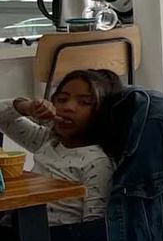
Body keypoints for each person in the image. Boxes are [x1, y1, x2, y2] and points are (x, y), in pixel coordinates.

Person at [0, 68, 124, 225]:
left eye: (84, 102)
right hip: (20, 229)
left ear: (104, 114)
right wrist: (27, 107)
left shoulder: (97, 161)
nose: (68, 107)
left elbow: (94, 226)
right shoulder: (47, 141)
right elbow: (3, 117)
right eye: (62, 99)